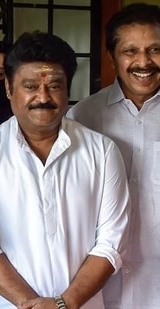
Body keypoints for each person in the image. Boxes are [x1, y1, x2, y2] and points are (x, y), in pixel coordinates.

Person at [0, 31, 130, 309]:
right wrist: (28, 302)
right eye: (30, 86)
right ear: (8, 88)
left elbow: (112, 243)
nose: (43, 97)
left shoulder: (102, 151)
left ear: (68, 90)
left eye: (54, 85)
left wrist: (65, 303)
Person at [67, 3, 160, 308]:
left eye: (155, 50)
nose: (143, 62)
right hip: (98, 279)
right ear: (112, 56)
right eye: (130, 51)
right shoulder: (84, 115)